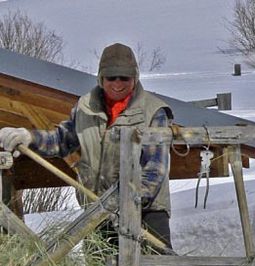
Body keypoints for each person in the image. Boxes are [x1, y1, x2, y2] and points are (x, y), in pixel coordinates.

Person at [0, 43, 174, 250]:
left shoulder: (154, 112)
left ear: (135, 78)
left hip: (146, 213)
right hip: (96, 211)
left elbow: (155, 171)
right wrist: (29, 137)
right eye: (111, 78)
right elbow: (62, 141)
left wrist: (126, 204)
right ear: (101, 78)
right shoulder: (85, 107)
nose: (117, 83)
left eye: (124, 78)